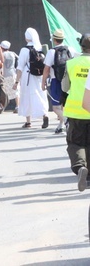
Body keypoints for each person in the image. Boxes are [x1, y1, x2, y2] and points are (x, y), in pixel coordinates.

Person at [63, 33, 90, 191]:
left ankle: (80, 168)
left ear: (81, 46)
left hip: (76, 111)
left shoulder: (72, 63)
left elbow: (65, 87)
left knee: (76, 143)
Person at [14, 28, 49, 129]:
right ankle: (45, 115)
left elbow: (20, 67)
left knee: (26, 97)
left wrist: (16, 81)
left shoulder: (24, 50)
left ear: (26, 37)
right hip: (39, 76)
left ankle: (28, 122)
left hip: (28, 76)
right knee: (41, 95)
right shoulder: (40, 48)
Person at [43, 29, 74, 134]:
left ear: (54, 39)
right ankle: (61, 125)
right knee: (64, 104)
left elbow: (46, 69)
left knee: (56, 107)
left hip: (56, 80)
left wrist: (43, 83)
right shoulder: (70, 49)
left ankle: (66, 121)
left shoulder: (51, 52)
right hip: (69, 80)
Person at [0, 41, 20, 113]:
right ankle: (18, 106)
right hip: (12, 73)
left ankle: (2, 107)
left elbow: (1, 64)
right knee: (15, 90)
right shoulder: (13, 53)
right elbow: (19, 59)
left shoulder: (1, 54)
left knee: (4, 91)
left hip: (4, 74)